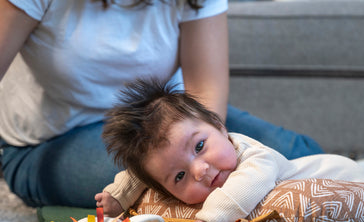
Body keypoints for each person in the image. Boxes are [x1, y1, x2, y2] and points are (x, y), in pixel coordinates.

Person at [0, 0, 325, 208]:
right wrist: (187, 173)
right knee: (166, 190)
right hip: (51, 140)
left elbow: (206, 98)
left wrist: (205, 149)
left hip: (171, 124)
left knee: (298, 154)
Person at [95, 78, 364, 222]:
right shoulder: (172, 164)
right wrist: (118, 195)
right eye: (180, 175)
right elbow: (141, 174)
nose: (201, 170)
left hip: (341, 178)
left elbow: (240, 190)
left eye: (200, 146)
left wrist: (210, 219)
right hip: (320, 170)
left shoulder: (254, 158)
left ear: (219, 125)